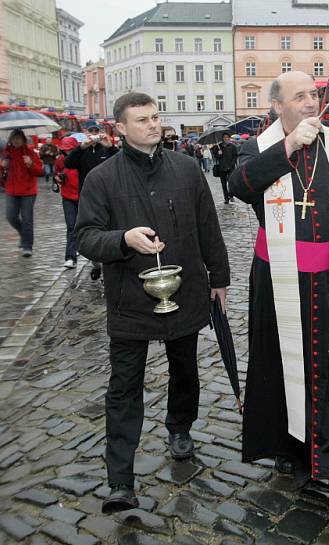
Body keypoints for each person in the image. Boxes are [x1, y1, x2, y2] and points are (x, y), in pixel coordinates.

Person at [228, 71, 329, 527]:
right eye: (299, 96)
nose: (310, 102)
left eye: (314, 94)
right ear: (277, 107)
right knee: (283, 371)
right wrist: (287, 148)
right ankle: (296, 454)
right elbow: (238, 186)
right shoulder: (258, 147)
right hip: (276, 282)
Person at [75, 92, 230, 514]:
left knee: (186, 369)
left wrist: (220, 278)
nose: (153, 124)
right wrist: (123, 240)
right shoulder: (102, 179)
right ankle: (120, 480)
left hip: (186, 292)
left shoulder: (186, 169)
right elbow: (85, 237)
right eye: (141, 119)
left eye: (156, 116)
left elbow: (207, 226)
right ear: (120, 128)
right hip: (129, 299)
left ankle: (181, 428)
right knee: (123, 388)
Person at [66, 119, 118, 279]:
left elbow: (120, 162)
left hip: (108, 196)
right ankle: (95, 264)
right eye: (91, 132)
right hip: (87, 197)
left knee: (107, 229)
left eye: (96, 132)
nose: (94, 135)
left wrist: (110, 147)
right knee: (89, 231)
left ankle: (106, 266)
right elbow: (69, 163)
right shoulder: (82, 150)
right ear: (86, 134)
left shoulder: (105, 149)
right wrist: (81, 148)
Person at [1, 129, 43, 256]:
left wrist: (30, 164)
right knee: (11, 217)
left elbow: (40, 172)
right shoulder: (6, 153)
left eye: (18, 138)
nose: (16, 141)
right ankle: (23, 233)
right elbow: (2, 172)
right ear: (10, 140)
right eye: (14, 138)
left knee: (27, 220)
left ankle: (27, 246)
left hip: (28, 191)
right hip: (11, 191)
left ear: (23, 139)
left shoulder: (30, 153)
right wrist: (2, 165)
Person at [54, 136, 81, 268]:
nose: (68, 152)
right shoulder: (60, 160)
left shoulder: (82, 157)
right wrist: (58, 179)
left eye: (70, 149)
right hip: (68, 197)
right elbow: (57, 173)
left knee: (88, 226)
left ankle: (94, 256)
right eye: (66, 150)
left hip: (83, 197)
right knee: (71, 226)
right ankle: (70, 257)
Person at [216, 133, 238, 204]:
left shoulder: (232, 146)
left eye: (227, 137)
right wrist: (218, 154)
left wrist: (232, 164)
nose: (226, 138)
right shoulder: (219, 146)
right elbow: (216, 158)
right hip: (222, 168)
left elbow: (235, 156)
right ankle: (226, 198)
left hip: (230, 167)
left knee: (231, 182)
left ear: (229, 138)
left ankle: (231, 196)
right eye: (224, 137)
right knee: (223, 184)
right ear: (222, 138)